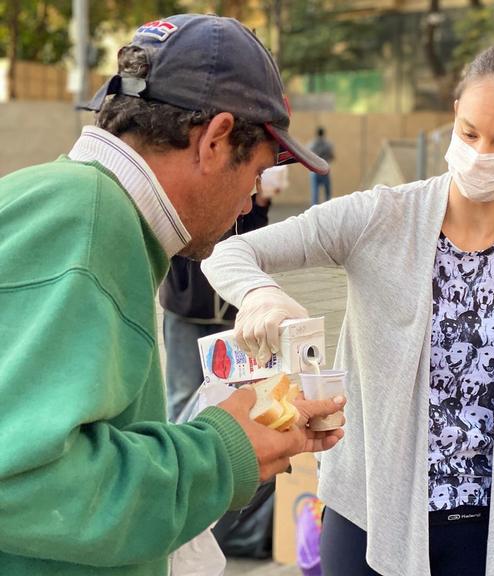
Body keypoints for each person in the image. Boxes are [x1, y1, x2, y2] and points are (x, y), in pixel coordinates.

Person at [202, 43, 494, 575]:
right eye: (469, 133)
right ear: (454, 117)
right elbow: (229, 250)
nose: (480, 153)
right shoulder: (381, 217)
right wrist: (261, 295)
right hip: (371, 512)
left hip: (488, 524)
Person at [0, 14, 345, 576]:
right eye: (256, 172)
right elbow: (22, 477)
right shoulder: (90, 225)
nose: (248, 202)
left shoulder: (53, 198)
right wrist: (221, 451)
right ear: (215, 140)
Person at [160, 192, 271, 422]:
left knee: (229, 394)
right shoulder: (195, 180)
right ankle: (181, 455)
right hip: (186, 307)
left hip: (230, 310)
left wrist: (260, 203)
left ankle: (221, 452)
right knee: (183, 395)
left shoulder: (242, 189)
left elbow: (252, 236)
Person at [308, 126, 334, 205]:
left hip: (314, 170)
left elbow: (308, 156)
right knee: (327, 192)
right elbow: (332, 156)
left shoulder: (312, 144)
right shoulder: (328, 145)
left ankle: (314, 209)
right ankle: (328, 207)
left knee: (315, 192)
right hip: (324, 170)